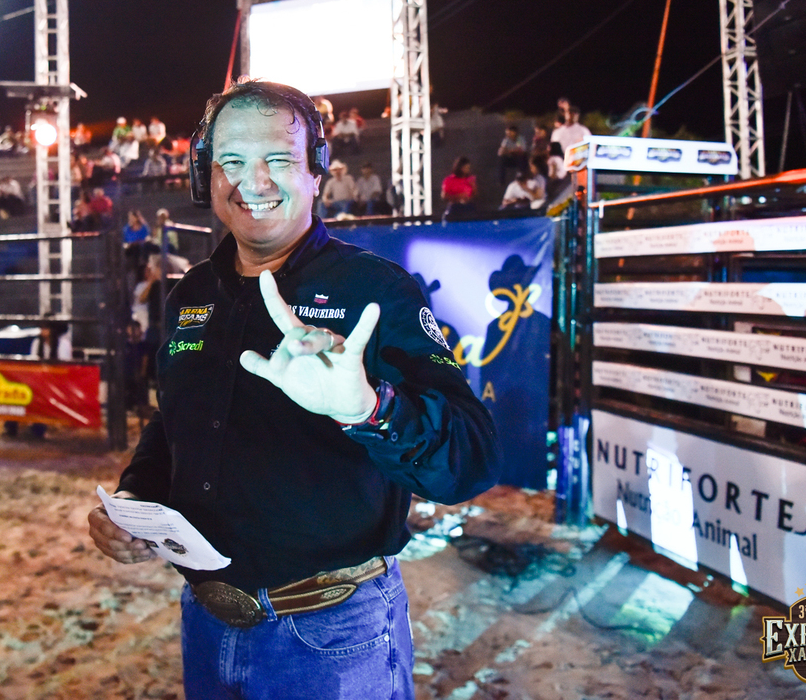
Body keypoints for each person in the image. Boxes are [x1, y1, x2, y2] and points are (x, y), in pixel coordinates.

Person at [87, 80, 500, 700]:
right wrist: (135, 501)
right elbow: (173, 424)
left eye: (277, 159)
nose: (252, 182)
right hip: (204, 622)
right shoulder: (190, 293)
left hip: (333, 639)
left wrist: (368, 408)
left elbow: (472, 460)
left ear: (316, 172)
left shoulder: (376, 290)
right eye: (230, 160)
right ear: (204, 177)